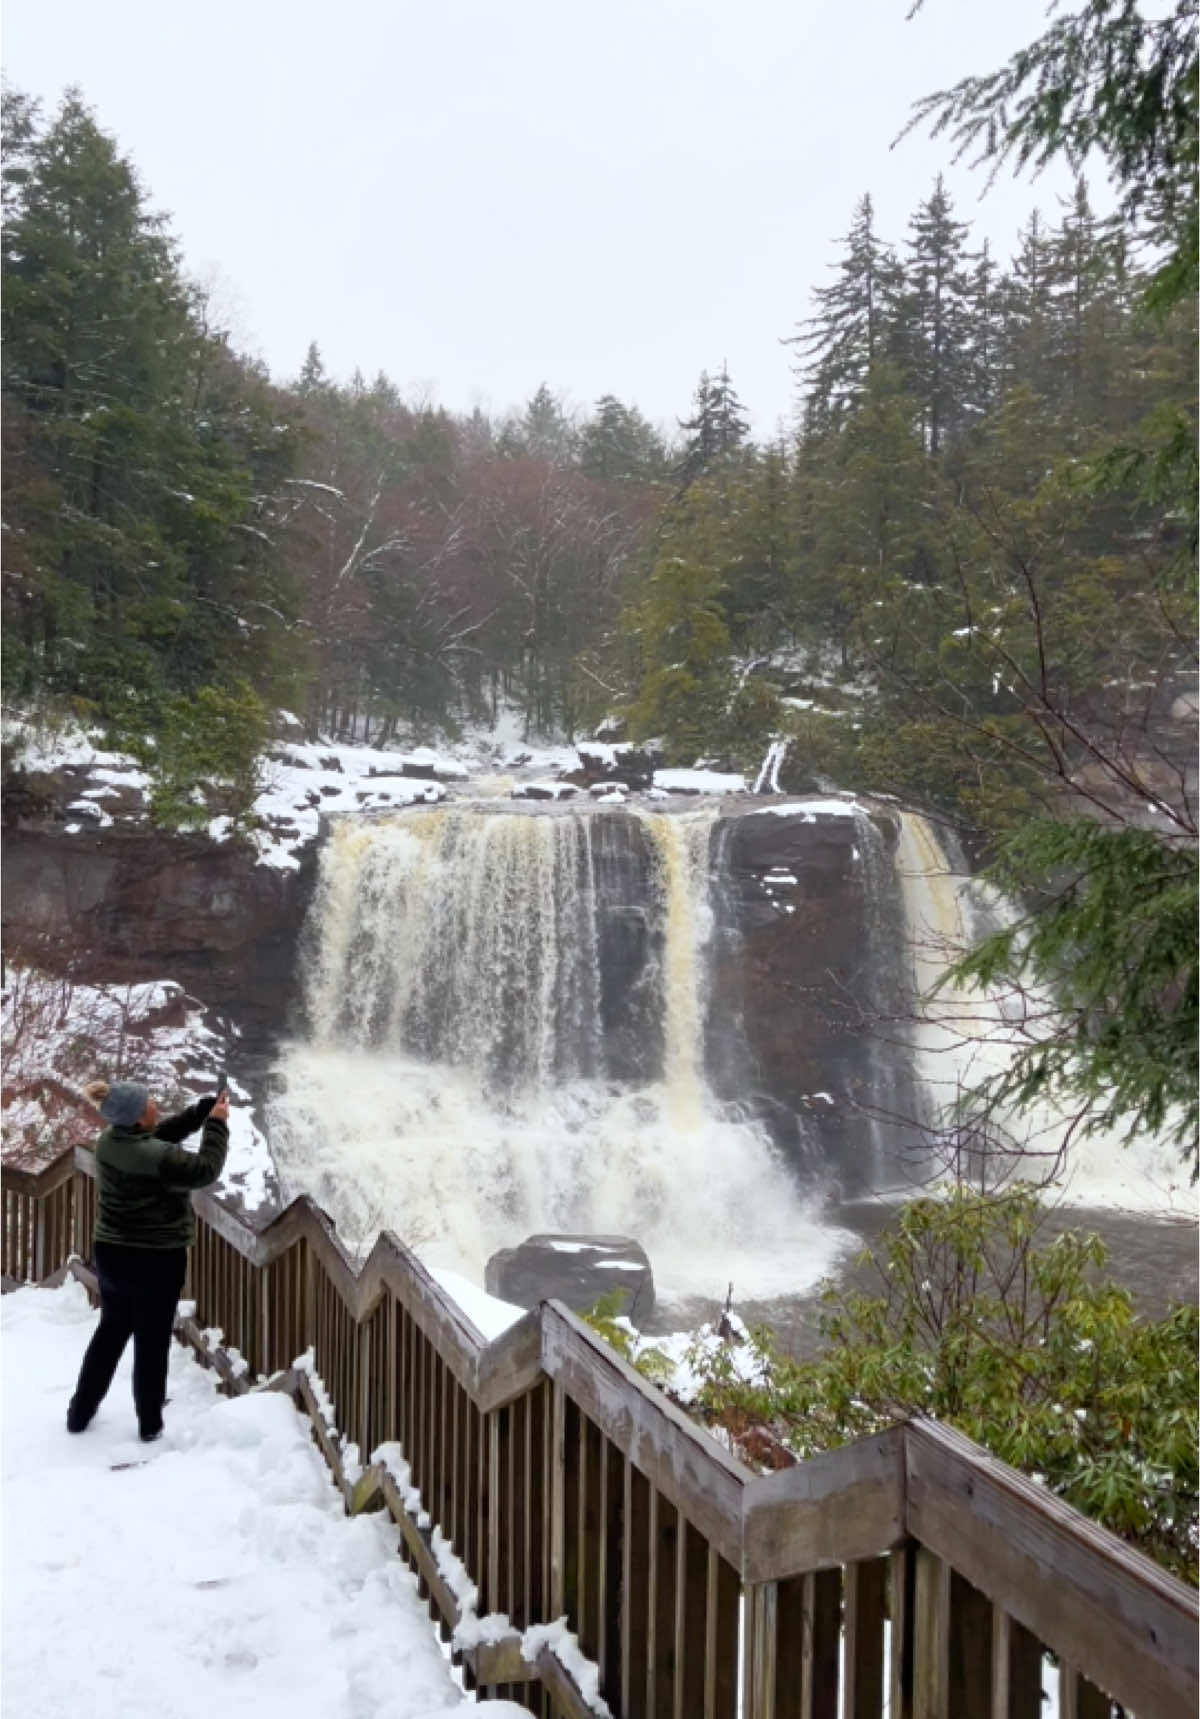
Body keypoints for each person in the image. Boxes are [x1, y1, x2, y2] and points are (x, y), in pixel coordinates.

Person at [66, 1079, 230, 1442]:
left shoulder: (111, 1140)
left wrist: (197, 1114)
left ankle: (80, 1412)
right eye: (149, 1103)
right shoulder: (153, 1157)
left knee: (111, 1332)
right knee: (152, 1341)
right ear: (138, 1119)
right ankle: (150, 1424)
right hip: (155, 1259)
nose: (155, 1103)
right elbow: (204, 1169)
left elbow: (156, 1140)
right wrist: (217, 1124)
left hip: (112, 1253)